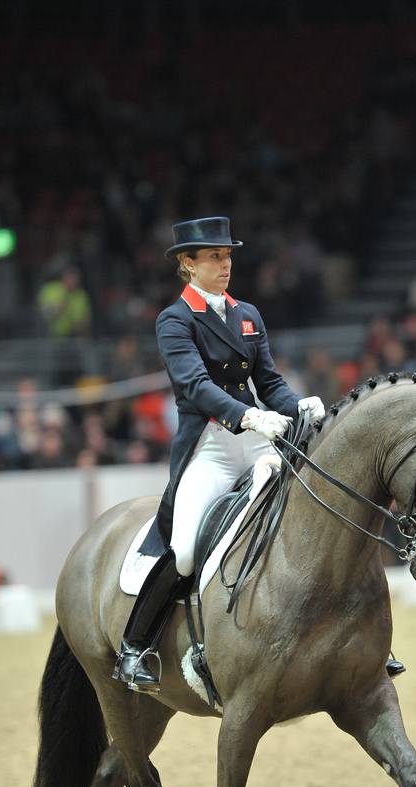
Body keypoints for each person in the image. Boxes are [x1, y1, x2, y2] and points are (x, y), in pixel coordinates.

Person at [112, 217, 326, 692]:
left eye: (227, 256)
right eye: (214, 257)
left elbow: (267, 382)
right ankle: (134, 647)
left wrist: (298, 406)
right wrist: (249, 417)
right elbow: (195, 386)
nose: (225, 264)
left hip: (256, 440)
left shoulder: (247, 313)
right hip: (210, 446)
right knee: (185, 550)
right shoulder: (175, 320)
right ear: (188, 264)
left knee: (317, 515)